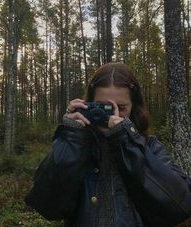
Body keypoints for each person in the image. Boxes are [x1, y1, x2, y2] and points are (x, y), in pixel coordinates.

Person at [25, 63, 191, 227]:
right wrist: (73, 137)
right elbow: (47, 207)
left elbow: (179, 206)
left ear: (134, 107)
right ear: (88, 104)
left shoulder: (150, 147)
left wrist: (127, 142)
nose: (111, 114)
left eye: (121, 108)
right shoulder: (76, 146)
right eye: (102, 107)